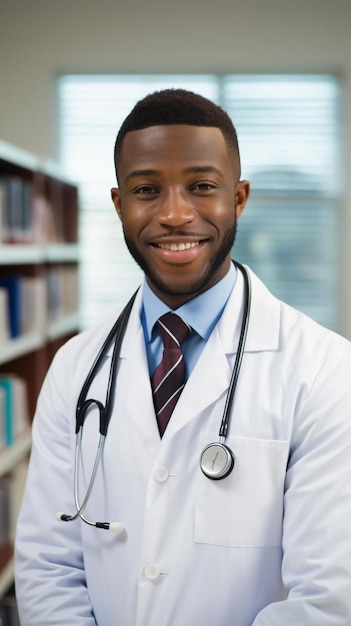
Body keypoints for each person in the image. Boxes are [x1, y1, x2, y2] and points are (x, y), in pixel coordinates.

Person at [15, 89, 351, 626]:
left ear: (238, 198)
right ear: (120, 204)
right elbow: (48, 567)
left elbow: (328, 596)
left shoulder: (326, 370)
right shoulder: (76, 367)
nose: (174, 214)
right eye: (147, 189)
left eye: (201, 187)